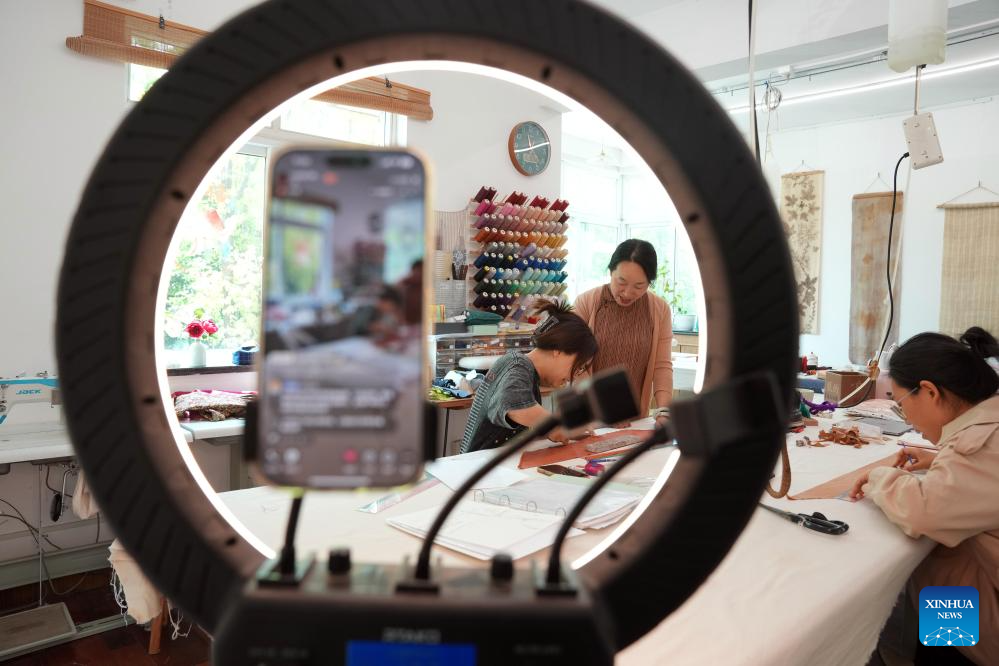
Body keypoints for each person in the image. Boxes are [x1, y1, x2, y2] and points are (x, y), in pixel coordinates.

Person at [850, 327, 999, 666]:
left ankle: (948, 647)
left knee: (940, 566)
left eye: (902, 405)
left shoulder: (980, 446)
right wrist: (941, 459)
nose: (908, 420)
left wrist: (879, 476)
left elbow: (923, 513)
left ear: (929, 392)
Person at [460, 301, 598, 454]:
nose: (574, 376)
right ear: (559, 350)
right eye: (578, 367)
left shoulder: (528, 373)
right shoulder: (517, 364)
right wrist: (556, 425)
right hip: (477, 464)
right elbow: (514, 406)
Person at [574, 239, 673, 425]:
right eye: (621, 282)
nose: (627, 293)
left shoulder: (660, 310)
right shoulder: (586, 303)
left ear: (649, 282)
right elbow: (574, 363)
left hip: (635, 420)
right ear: (611, 272)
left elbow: (662, 366)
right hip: (589, 418)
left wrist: (664, 411)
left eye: (639, 286)